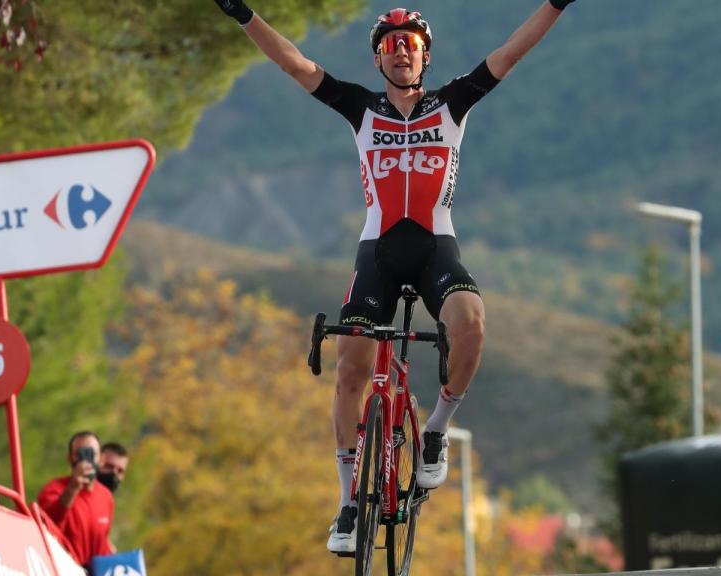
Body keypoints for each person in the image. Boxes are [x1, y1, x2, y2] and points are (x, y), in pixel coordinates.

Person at [214, 0, 579, 554]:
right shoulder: (360, 109)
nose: (401, 51)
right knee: (349, 371)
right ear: (379, 59)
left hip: (435, 248)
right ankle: (346, 502)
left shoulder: (453, 102)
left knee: (471, 322)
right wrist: (243, 15)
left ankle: (435, 429)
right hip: (377, 253)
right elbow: (295, 64)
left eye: (409, 44)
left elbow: (512, 52)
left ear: (425, 56)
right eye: (390, 44)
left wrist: (555, 4)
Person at [37, 430, 114, 568]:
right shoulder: (53, 489)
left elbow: (102, 541)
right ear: (69, 458)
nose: (86, 459)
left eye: (92, 454)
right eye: (80, 454)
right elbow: (47, 525)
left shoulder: (106, 496)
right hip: (62, 568)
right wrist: (73, 487)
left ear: (101, 459)